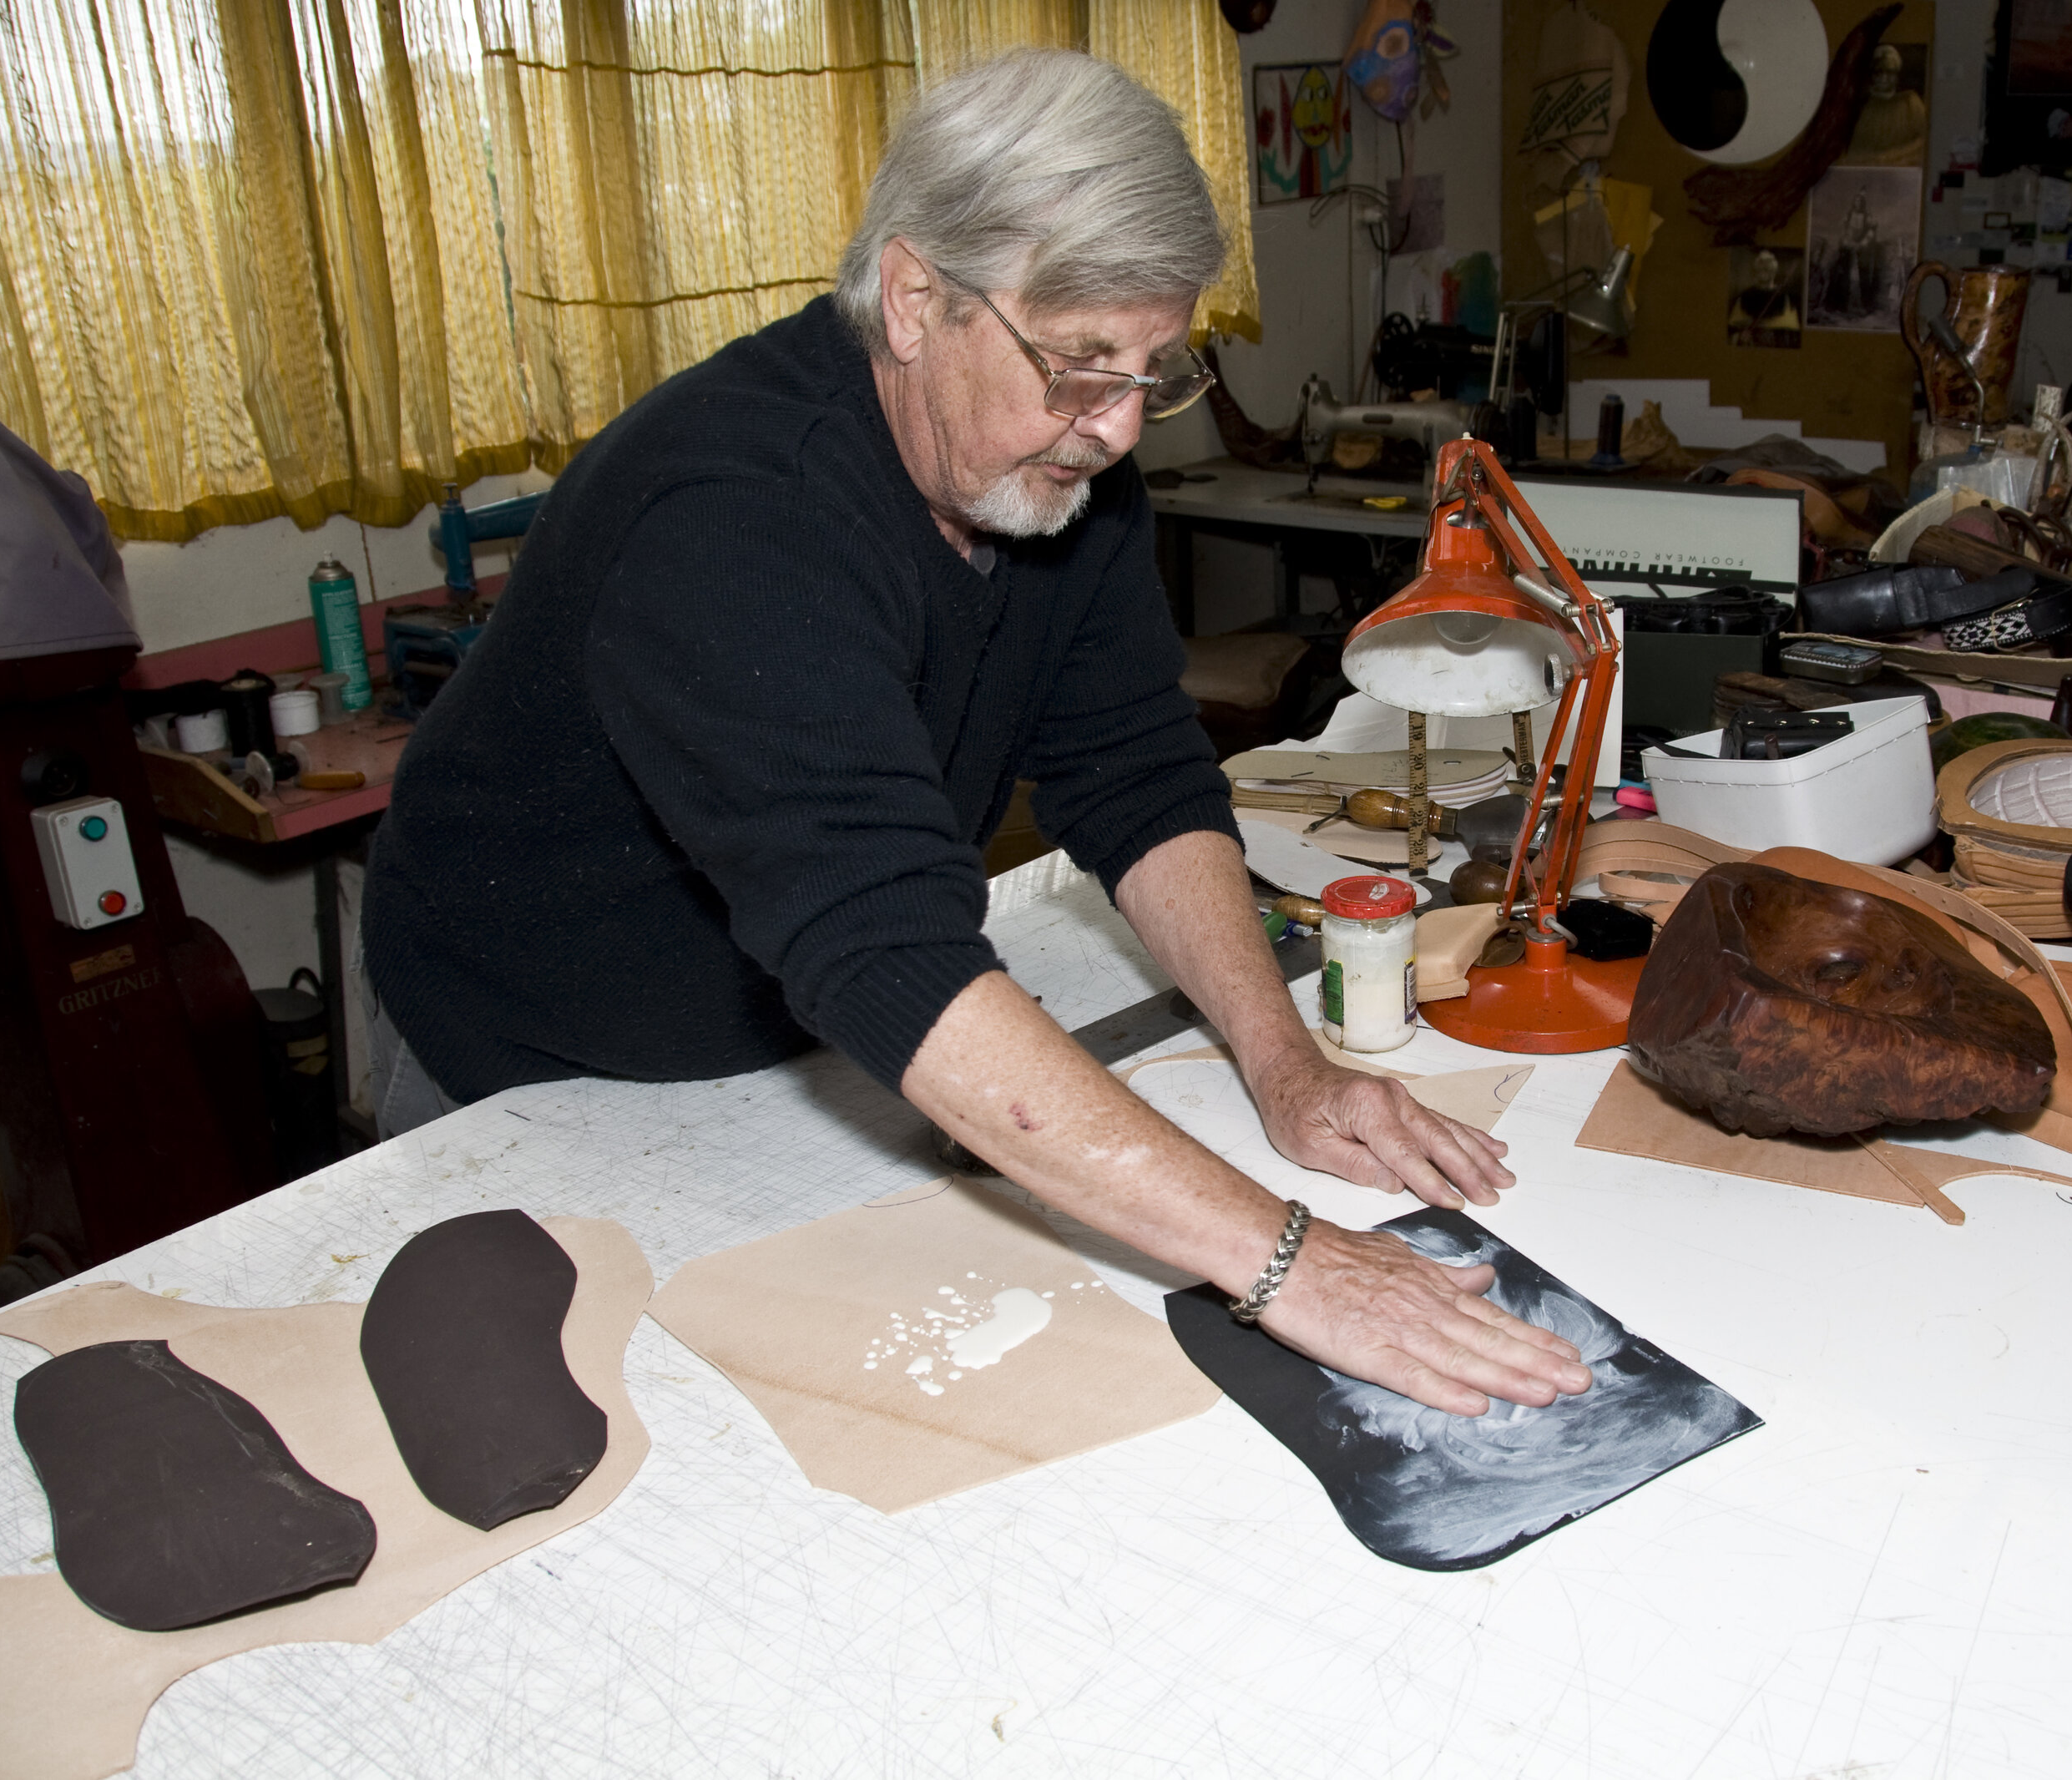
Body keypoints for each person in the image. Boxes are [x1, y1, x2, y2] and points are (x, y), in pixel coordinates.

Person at [362, 51, 1591, 1419]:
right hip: (531, 1064)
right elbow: (884, 946)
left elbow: (1134, 772)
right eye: (1076, 366)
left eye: (1152, 369)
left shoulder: (1051, 469)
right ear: (913, 297)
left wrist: (1285, 1065)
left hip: (791, 1047)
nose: (1117, 428)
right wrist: (1292, 1263)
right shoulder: (736, 517)